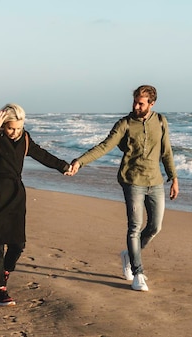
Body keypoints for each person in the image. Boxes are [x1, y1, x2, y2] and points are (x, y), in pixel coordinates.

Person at [69, 85, 179, 292]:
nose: (136, 106)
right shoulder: (125, 124)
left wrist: (174, 178)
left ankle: (129, 254)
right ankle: (138, 273)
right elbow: (104, 146)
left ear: (151, 104)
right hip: (132, 181)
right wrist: (79, 162)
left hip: (155, 182)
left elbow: (167, 152)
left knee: (155, 227)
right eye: (135, 102)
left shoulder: (161, 121)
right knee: (135, 227)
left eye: (141, 103)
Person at [0, 103, 72, 306]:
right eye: (10, 128)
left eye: (18, 128)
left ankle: (4, 271)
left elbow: (41, 154)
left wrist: (63, 166)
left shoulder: (24, 138)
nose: (15, 132)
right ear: (3, 125)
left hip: (15, 195)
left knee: (17, 244)